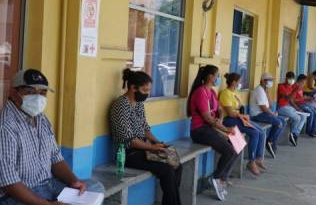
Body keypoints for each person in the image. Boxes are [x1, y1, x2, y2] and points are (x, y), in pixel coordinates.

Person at [0, 69, 104, 205]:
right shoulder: (5, 126)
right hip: (19, 195)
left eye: (43, 93)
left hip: (49, 185)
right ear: (14, 93)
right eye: (30, 92)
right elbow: (9, 181)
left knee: (95, 188)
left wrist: (74, 181)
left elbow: (55, 157)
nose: (38, 98)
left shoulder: (41, 118)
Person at [109, 69, 182, 205]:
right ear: (133, 87)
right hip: (128, 154)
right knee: (167, 170)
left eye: (148, 90)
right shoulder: (121, 105)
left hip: (144, 149)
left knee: (176, 163)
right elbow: (129, 140)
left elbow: (145, 128)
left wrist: (158, 143)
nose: (147, 94)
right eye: (144, 90)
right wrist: (152, 147)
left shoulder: (138, 104)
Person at [187, 65, 238, 201]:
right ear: (210, 77)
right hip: (199, 131)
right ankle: (215, 178)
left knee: (237, 144)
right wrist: (226, 129)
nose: (218, 78)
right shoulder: (200, 92)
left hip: (211, 128)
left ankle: (222, 178)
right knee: (230, 151)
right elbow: (207, 118)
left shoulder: (212, 92)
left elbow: (219, 109)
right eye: (217, 76)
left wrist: (220, 118)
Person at [219, 73, 266, 175]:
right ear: (234, 82)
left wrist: (244, 115)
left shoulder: (235, 93)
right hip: (229, 120)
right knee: (255, 133)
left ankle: (258, 158)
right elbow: (231, 113)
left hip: (238, 118)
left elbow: (239, 108)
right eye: (239, 81)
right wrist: (241, 116)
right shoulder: (225, 93)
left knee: (261, 131)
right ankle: (251, 161)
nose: (240, 83)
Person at [249, 72, 286, 159]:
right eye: (269, 80)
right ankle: (269, 141)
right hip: (257, 115)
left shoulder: (263, 90)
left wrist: (267, 92)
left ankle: (271, 141)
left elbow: (270, 105)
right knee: (278, 122)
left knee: (283, 121)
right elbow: (263, 108)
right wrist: (273, 114)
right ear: (263, 81)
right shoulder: (259, 91)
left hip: (263, 113)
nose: (271, 82)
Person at [277, 72, 307, 147]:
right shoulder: (281, 86)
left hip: (289, 106)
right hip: (281, 107)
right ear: (286, 78)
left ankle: (295, 134)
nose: (291, 80)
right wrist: (295, 90)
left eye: (292, 78)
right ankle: (292, 134)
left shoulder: (291, 87)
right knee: (297, 118)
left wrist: (297, 109)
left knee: (303, 116)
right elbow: (287, 98)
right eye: (289, 78)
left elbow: (291, 100)